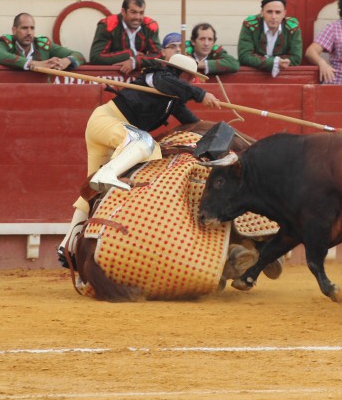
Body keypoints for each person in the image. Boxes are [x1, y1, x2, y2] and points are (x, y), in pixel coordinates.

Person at [58, 49, 222, 258]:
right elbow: (168, 83)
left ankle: (67, 246)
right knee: (145, 142)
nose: (192, 81)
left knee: (92, 190)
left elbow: (192, 122)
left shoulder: (172, 100)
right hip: (108, 121)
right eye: (189, 76)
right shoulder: (157, 76)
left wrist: (210, 131)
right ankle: (108, 173)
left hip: (112, 129)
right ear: (177, 73)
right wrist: (201, 95)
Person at [89, 0, 163, 74]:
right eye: (133, 12)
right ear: (123, 11)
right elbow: (96, 57)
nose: (138, 17)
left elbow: (159, 56)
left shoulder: (149, 26)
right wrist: (132, 53)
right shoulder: (108, 25)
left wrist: (135, 62)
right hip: (111, 77)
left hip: (141, 77)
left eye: (141, 13)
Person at [0, 13, 84, 70]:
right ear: (14, 30)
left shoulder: (42, 44)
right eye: (24, 28)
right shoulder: (5, 42)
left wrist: (66, 61)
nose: (29, 33)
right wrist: (34, 63)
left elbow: (79, 56)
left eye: (32, 28)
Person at [237, 0, 303, 75]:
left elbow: (296, 58)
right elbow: (244, 56)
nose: (273, 16)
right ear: (262, 12)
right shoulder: (250, 25)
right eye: (269, 12)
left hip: (282, 75)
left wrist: (268, 61)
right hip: (254, 74)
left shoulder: (292, 26)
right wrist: (275, 62)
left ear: (284, 14)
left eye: (278, 12)